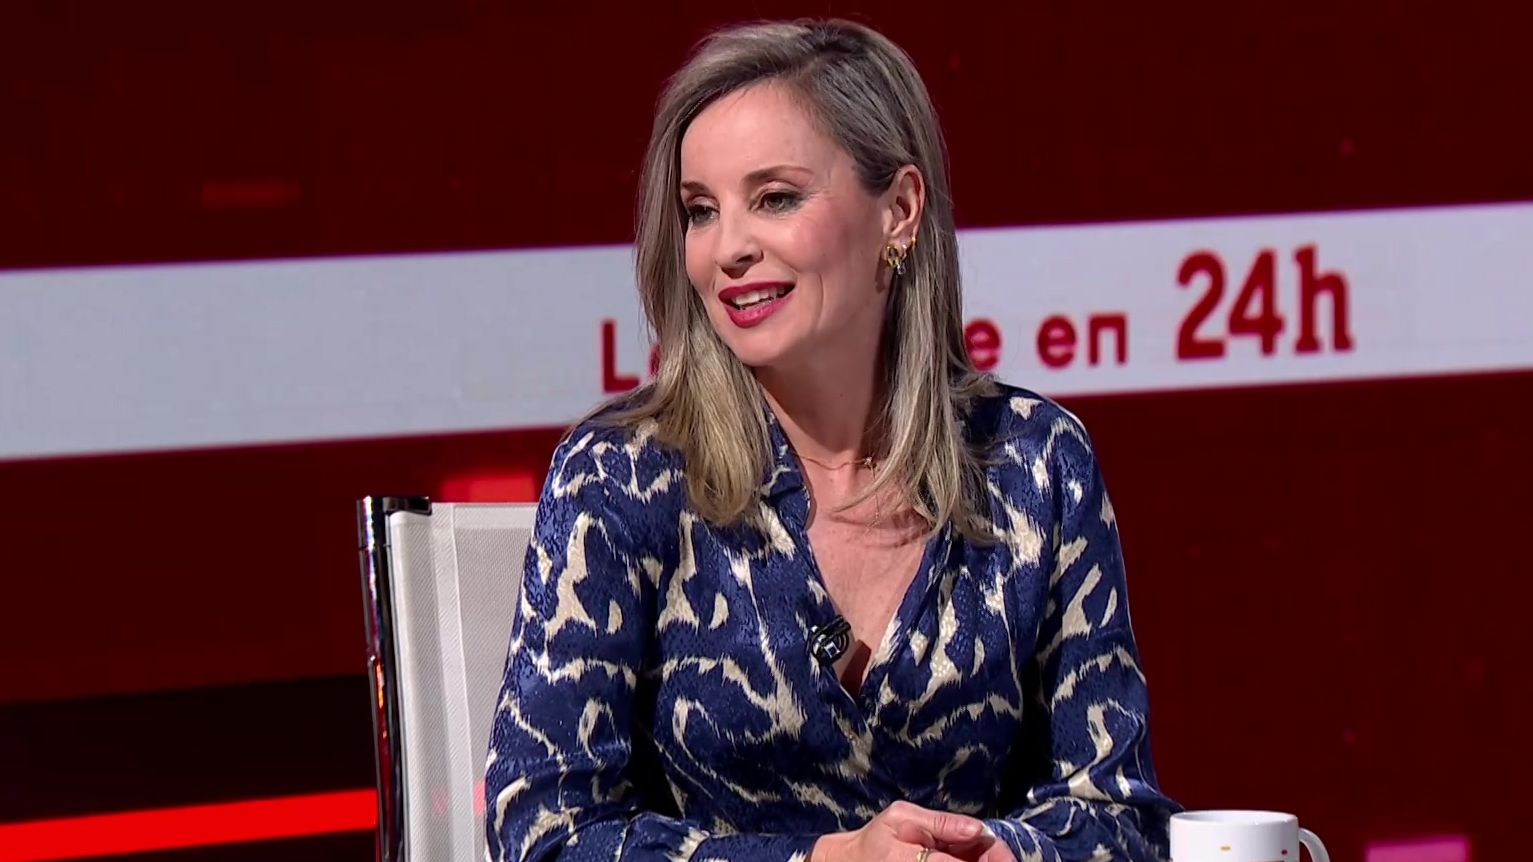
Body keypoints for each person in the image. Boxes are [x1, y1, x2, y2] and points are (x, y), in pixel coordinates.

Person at [485, 18, 1179, 862]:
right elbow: (544, 831)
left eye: (774, 198)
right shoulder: (621, 477)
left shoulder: (1035, 464)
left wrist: (998, 854)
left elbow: (1116, 816)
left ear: (899, 210)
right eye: (700, 211)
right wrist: (826, 860)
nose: (727, 250)